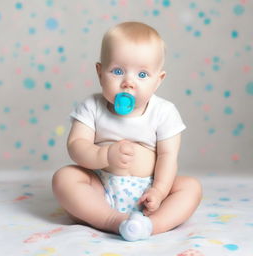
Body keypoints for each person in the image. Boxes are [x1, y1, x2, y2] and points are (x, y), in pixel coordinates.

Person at [52, 21, 202, 241]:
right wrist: (104, 155)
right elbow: (76, 146)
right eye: (118, 71)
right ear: (100, 72)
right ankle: (112, 220)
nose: (128, 83)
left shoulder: (164, 112)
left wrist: (159, 191)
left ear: (158, 80)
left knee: (191, 187)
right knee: (64, 178)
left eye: (142, 75)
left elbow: (167, 156)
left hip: (149, 189)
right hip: (100, 187)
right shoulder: (91, 106)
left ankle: (152, 224)